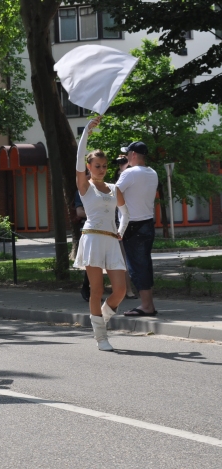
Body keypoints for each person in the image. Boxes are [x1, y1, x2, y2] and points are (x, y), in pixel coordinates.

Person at [74, 118, 129, 351]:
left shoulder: (114, 188)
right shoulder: (85, 185)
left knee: (121, 290)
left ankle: (102, 317)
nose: (102, 169)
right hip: (92, 239)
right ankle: (101, 337)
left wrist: (121, 231)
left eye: (105, 165)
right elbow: (78, 160)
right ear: (89, 167)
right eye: (97, 165)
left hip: (110, 239)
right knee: (96, 289)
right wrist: (86, 131)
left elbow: (125, 213)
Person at [116, 141, 159, 317]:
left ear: (133, 154)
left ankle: (147, 306)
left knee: (136, 267)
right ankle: (148, 304)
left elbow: (113, 194)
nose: (125, 157)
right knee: (145, 265)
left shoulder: (130, 173)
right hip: (147, 223)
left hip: (133, 226)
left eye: (127, 154)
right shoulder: (152, 172)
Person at [113, 155, 137, 299]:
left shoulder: (133, 181)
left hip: (132, 224)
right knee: (122, 260)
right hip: (118, 226)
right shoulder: (115, 190)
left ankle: (129, 289)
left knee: (130, 259)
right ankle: (127, 290)